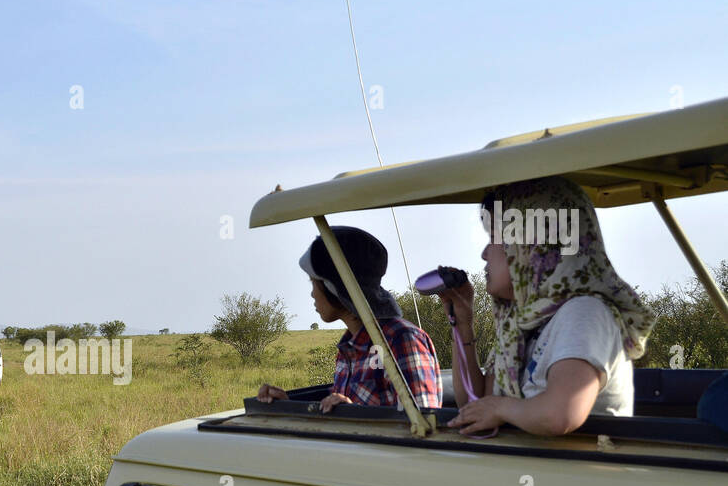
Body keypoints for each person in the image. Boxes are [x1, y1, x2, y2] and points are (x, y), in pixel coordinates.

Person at [441, 176, 655, 436]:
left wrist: (500, 408)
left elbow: (560, 414)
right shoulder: (520, 322)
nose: (485, 254)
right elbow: (474, 406)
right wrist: (462, 323)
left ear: (536, 242)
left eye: (496, 237)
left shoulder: (585, 312)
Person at [257, 227, 441, 412]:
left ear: (334, 286)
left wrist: (354, 413)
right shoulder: (349, 346)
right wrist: (287, 404)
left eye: (314, 282)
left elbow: (425, 423)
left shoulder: (402, 339)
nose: (312, 294)